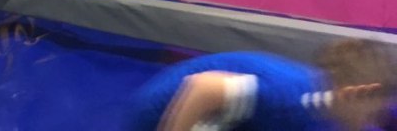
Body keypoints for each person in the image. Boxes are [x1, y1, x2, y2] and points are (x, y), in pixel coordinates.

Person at [126, 39, 397, 131]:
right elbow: (204, 87)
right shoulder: (288, 98)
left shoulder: (329, 104)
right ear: (352, 93)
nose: (369, 123)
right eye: (371, 115)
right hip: (167, 109)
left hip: (228, 108)